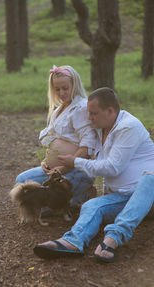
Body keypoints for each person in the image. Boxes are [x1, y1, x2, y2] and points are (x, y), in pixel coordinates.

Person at [33, 87, 154, 262]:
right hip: (124, 197)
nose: (89, 118)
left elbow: (113, 167)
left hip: (149, 197)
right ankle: (73, 241)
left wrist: (75, 162)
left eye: (94, 113)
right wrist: (50, 158)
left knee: (150, 178)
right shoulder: (100, 128)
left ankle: (112, 238)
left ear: (110, 111)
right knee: (91, 206)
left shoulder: (129, 127)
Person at [16, 65, 96, 208]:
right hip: (54, 172)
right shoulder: (59, 109)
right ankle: (76, 196)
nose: (61, 93)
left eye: (65, 88)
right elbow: (54, 141)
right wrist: (47, 162)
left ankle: (83, 194)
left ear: (75, 85)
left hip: (76, 171)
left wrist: (62, 169)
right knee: (22, 182)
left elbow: (87, 146)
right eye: (57, 89)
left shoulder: (81, 109)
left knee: (45, 209)